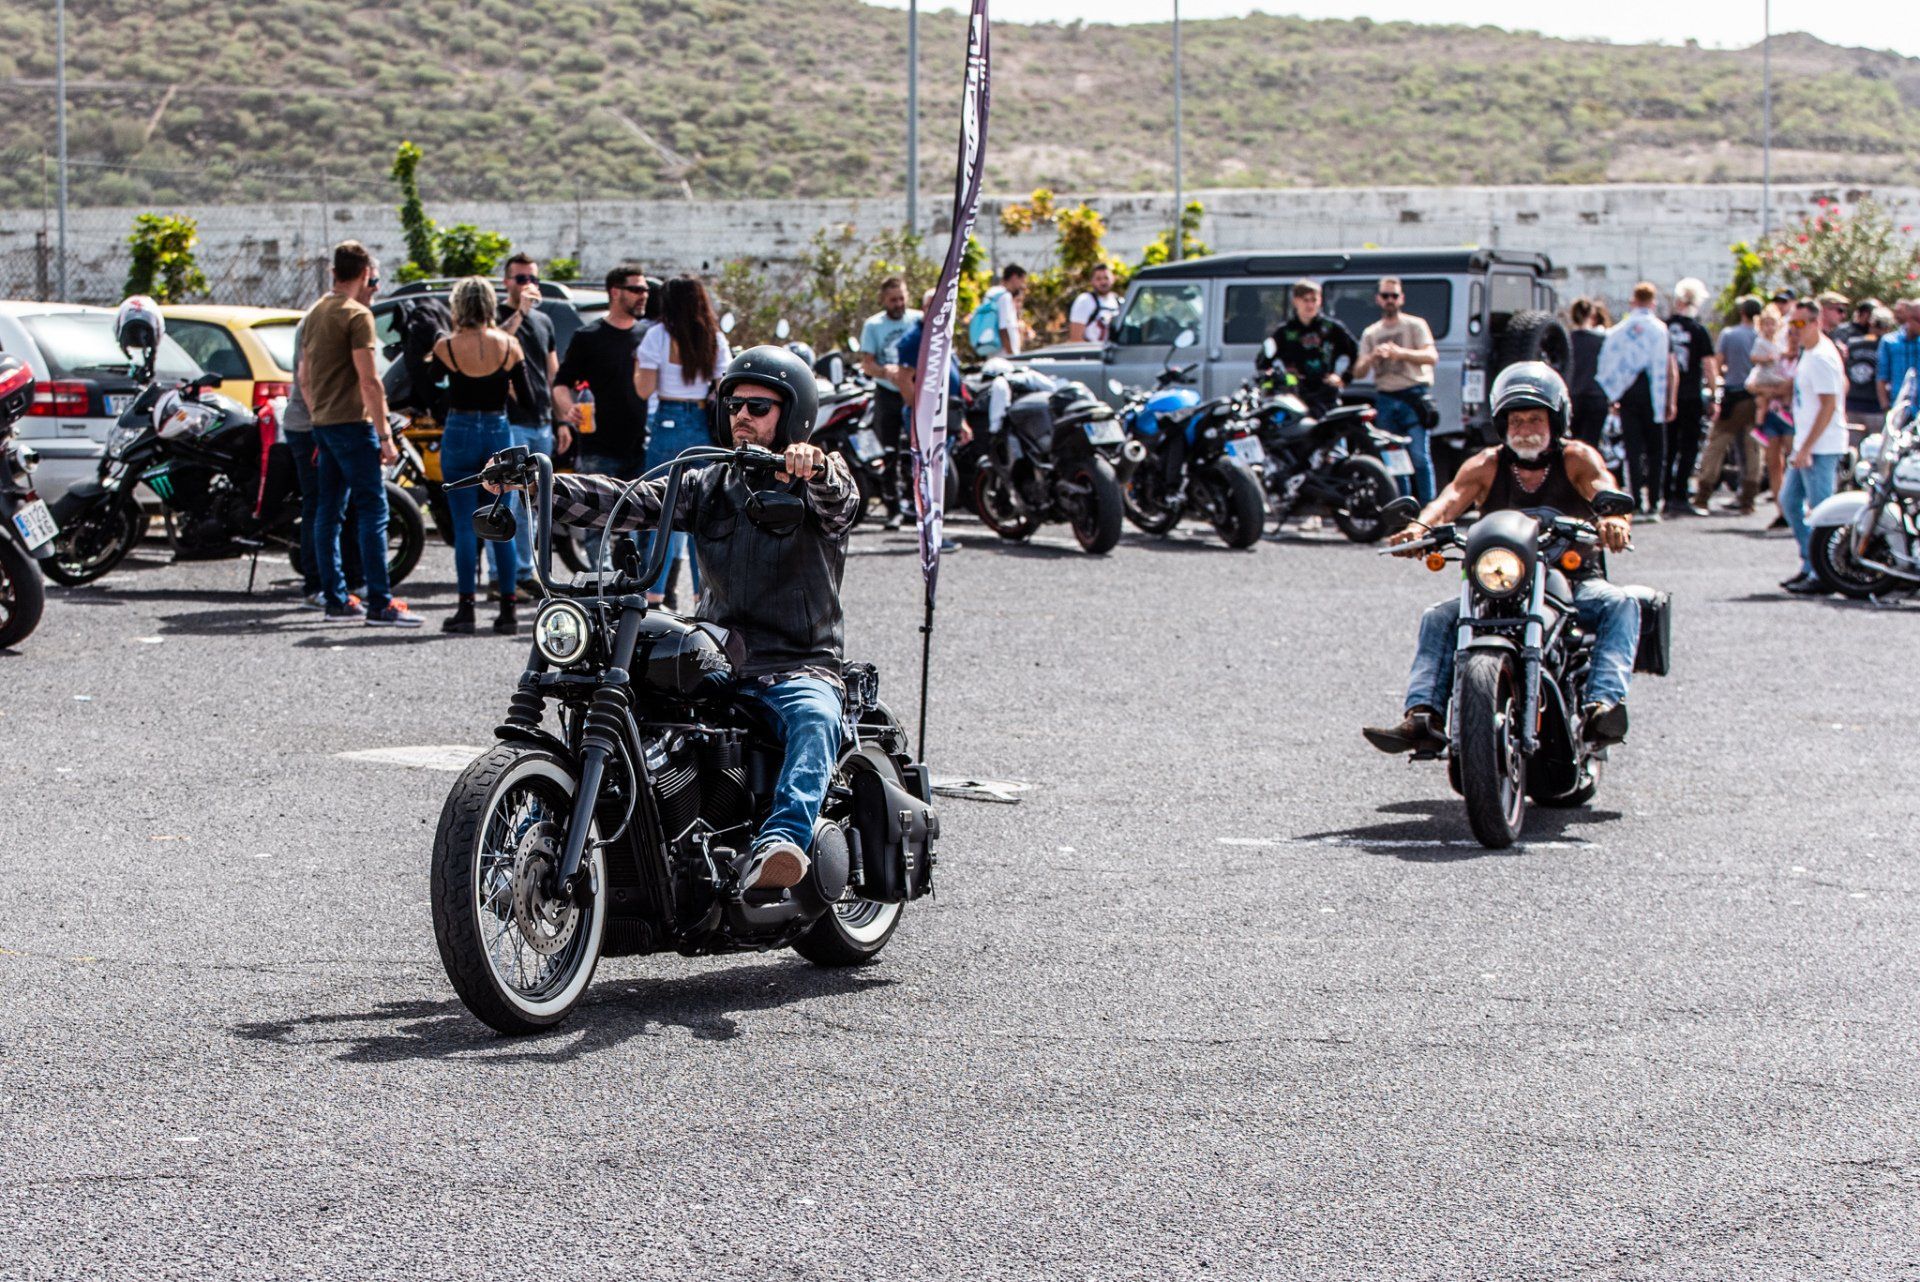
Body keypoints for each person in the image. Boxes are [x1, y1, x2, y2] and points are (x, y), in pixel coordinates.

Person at [490, 346, 857, 892]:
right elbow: (626, 501)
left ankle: (782, 842)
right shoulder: (708, 483)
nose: (742, 417)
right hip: (722, 656)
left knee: (814, 718)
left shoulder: (819, 478)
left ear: (794, 415)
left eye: (759, 406)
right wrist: (541, 486)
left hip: (798, 662)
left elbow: (841, 502)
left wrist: (816, 466)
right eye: (734, 405)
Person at [1362, 362, 1638, 754]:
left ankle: (1601, 708)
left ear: (1555, 420)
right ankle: (1422, 716)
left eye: (1535, 419)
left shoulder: (1576, 458)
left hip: (1572, 582)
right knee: (1439, 617)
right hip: (1501, 585)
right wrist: (1418, 529)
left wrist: (1614, 518)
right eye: (1517, 420)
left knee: (1621, 603)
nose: (1525, 429)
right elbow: (1448, 501)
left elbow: (1603, 488)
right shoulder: (1487, 464)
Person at [297, 241, 420, 627]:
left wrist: (319, 411)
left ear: (334, 271)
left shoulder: (315, 312)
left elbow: (303, 376)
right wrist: (385, 436)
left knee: (328, 512)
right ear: (366, 273)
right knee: (373, 510)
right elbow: (370, 380)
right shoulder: (356, 315)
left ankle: (335, 599)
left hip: (324, 424)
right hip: (354, 424)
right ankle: (380, 603)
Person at [430, 276, 534, 634]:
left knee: (463, 527)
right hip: (496, 431)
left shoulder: (446, 347)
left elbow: (426, 388)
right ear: (491, 305)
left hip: (458, 430)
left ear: (458, 306)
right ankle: (507, 611)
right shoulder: (509, 345)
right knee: (500, 522)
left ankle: (466, 609)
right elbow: (530, 398)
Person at [635, 274, 731, 606]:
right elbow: (725, 388)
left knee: (662, 511)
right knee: (703, 513)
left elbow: (643, 389)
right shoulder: (714, 338)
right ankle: (704, 593)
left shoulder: (657, 336)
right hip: (701, 425)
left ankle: (655, 594)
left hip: (666, 421)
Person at [498, 252, 565, 592]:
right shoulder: (499, 317)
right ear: (507, 282)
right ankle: (516, 573)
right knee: (512, 500)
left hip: (541, 421)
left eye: (533, 279)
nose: (528, 286)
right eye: (521, 279)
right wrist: (519, 312)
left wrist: (561, 420)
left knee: (537, 501)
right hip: (513, 421)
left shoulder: (544, 322)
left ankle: (524, 569)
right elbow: (497, 349)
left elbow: (553, 373)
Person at [554, 264, 654, 485]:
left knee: (637, 518)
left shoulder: (647, 336)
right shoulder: (588, 336)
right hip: (598, 450)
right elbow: (561, 384)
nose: (643, 296)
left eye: (645, 290)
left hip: (640, 447)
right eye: (636, 290)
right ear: (615, 292)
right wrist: (569, 409)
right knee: (596, 517)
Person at [1779, 298, 1847, 593]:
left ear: (1816, 323)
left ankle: (1824, 571)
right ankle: (1811, 563)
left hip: (1820, 446)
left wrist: (1806, 447)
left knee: (1821, 511)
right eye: (1791, 323)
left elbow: (1829, 405)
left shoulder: (1821, 356)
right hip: (1806, 443)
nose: (1794, 329)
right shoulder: (1810, 352)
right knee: (1789, 501)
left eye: (1799, 323)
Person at [1351, 276, 1439, 502]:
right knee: (1394, 459)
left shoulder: (1415, 325)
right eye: (1385, 296)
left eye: (1394, 296)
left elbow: (1431, 356)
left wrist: (1401, 353)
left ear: (1402, 298)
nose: (1390, 300)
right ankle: (1402, 507)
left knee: (1420, 456)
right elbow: (1358, 372)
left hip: (1413, 395)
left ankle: (1430, 508)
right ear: (1378, 299)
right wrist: (1372, 357)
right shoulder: (1372, 332)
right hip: (1386, 397)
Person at [1597, 281, 1677, 519]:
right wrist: (1671, 399)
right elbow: (1670, 366)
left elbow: (1609, 359)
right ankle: (1654, 501)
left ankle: (1636, 501)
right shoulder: (1660, 329)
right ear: (1653, 302)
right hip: (1654, 392)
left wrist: (1614, 392)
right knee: (1656, 451)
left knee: (1633, 449)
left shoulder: (1622, 329)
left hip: (1629, 393)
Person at [857, 277, 923, 530]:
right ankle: (892, 508)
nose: (899, 304)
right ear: (883, 300)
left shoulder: (917, 320)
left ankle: (915, 503)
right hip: (887, 394)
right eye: (893, 300)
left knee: (916, 450)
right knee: (889, 452)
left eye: (902, 298)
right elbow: (868, 363)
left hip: (914, 392)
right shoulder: (874, 325)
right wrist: (887, 373)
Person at [1695, 296, 1765, 514]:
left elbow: (1718, 363)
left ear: (1742, 312)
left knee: (1717, 445)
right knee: (1752, 447)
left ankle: (1703, 495)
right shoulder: (1762, 337)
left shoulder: (1729, 334)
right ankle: (1748, 499)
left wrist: (1716, 391)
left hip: (1734, 396)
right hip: (1755, 398)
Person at [1255, 279, 1359, 417]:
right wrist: (1280, 379)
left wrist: (1344, 378)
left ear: (1320, 301)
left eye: (1314, 300)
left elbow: (1356, 351)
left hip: (1325, 393)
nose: (1310, 305)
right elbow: (1263, 362)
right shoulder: (1284, 332)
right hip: (1295, 394)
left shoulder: (1331, 328)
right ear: (1296, 301)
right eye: (1306, 300)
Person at [1663, 278, 1717, 516]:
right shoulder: (1697, 329)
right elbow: (1709, 365)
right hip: (1691, 394)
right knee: (1689, 446)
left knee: (1669, 446)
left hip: (1666, 395)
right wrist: (1714, 394)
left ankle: (1664, 494)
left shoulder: (1663, 327)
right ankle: (1681, 494)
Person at [1747, 303, 1796, 523]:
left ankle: (1795, 508)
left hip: (1791, 415)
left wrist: (1771, 391)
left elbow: (1790, 388)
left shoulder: (1794, 359)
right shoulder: (1770, 352)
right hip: (1773, 414)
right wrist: (1771, 391)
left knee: (1793, 460)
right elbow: (1752, 384)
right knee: (1774, 464)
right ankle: (1782, 511)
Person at [1566, 298, 1612, 449]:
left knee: (1572, 443)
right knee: (1591, 444)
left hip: (1573, 396)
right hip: (1596, 396)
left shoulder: (1566, 340)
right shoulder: (1602, 340)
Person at [1846, 307, 1896, 434]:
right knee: (1874, 450)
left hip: (1853, 404)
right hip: (1875, 407)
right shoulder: (1889, 346)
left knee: (1851, 451)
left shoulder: (1853, 342)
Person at [969, 265, 1028, 357]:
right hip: (1004, 355)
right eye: (1022, 281)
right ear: (1014, 277)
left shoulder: (992, 292)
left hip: (992, 349)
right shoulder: (1004, 296)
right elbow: (1003, 327)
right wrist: (1011, 354)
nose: (1022, 285)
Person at [1878, 299, 1920, 417]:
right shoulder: (1890, 341)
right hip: (1897, 408)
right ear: (1909, 319)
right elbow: (1882, 376)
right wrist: (1885, 406)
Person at [1068, 263, 1121, 344]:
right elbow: (1075, 339)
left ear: (1113, 279)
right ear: (1092, 281)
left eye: (1106, 278)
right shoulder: (1085, 301)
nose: (1103, 282)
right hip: (1092, 353)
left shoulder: (1118, 301)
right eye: (1098, 279)